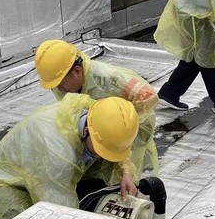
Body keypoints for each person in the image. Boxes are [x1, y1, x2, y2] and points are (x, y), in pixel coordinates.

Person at [0, 95, 139, 219]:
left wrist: (125, 172)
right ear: (87, 131)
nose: (104, 157)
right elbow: (61, 213)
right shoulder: (56, 152)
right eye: (101, 150)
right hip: (6, 182)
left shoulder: (102, 114)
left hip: (45, 168)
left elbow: (115, 143)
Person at [34, 40, 159, 183]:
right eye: (54, 85)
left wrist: (119, 124)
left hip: (128, 131)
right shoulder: (62, 83)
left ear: (77, 71)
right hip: (95, 131)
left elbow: (149, 98)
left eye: (61, 84)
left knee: (123, 176)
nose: (58, 89)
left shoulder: (111, 79)